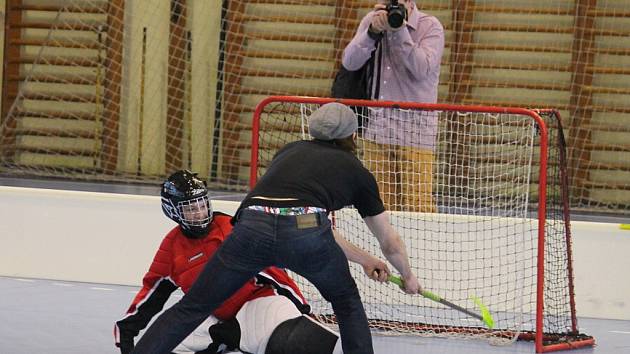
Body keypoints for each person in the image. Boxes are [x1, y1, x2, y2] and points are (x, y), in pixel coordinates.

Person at [130, 103, 421, 354]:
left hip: (250, 230)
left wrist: (365, 260)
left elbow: (291, 213)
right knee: (346, 301)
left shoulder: (289, 152)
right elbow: (388, 241)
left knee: (192, 307)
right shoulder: (358, 172)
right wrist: (407, 276)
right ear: (353, 136)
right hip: (306, 234)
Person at [116, 169, 390, 354]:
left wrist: (298, 309)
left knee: (302, 342)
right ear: (172, 211)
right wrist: (127, 330)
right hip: (211, 318)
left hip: (256, 304)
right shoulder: (171, 247)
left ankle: (235, 338)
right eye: (190, 208)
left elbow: (274, 273)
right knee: (167, 342)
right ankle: (227, 339)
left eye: (201, 204)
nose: (199, 213)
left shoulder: (232, 227)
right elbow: (152, 293)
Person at [342, 0, 445, 212]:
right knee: (379, 206)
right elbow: (349, 63)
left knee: (418, 208)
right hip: (377, 131)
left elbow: (421, 68)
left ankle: (418, 247)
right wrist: (371, 32)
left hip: (415, 134)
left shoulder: (431, 26)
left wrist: (399, 31)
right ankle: (385, 246)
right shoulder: (372, 21)